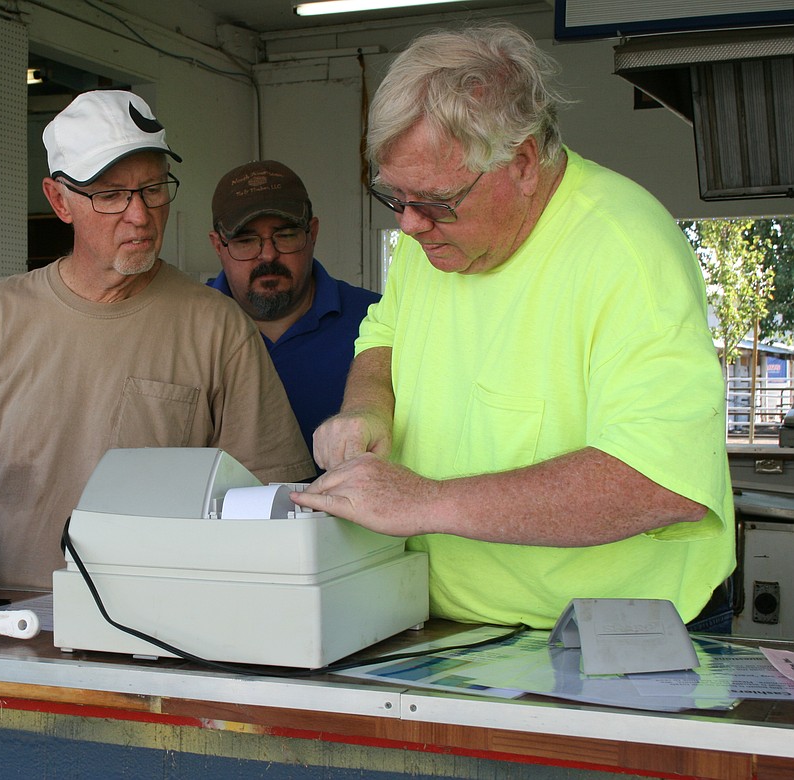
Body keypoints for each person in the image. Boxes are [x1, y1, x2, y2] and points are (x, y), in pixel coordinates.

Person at [291, 23, 735, 631]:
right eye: (395, 198)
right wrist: (366, 408)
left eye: (436, 201)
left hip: (607, 634)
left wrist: (426, 502)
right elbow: (383, 338)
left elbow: (657, 482)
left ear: (523, 162)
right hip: (444, 622)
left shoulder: (625, 248)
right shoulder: (433, 244)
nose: (412, 226)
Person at [0, 90, 313, 589]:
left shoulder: (217, 326)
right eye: (111, 195)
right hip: (25, 623)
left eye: (154, 189)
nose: (140, 215)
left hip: (164, 629)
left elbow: (269, 494)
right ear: (58, 201)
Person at [207, 160, 381, 461]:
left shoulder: (376, 320)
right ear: (218, 246)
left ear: (312, 233)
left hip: (343, 508)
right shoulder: (186, 326)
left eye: (286, 235)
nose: (268, 254)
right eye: (246, 240)